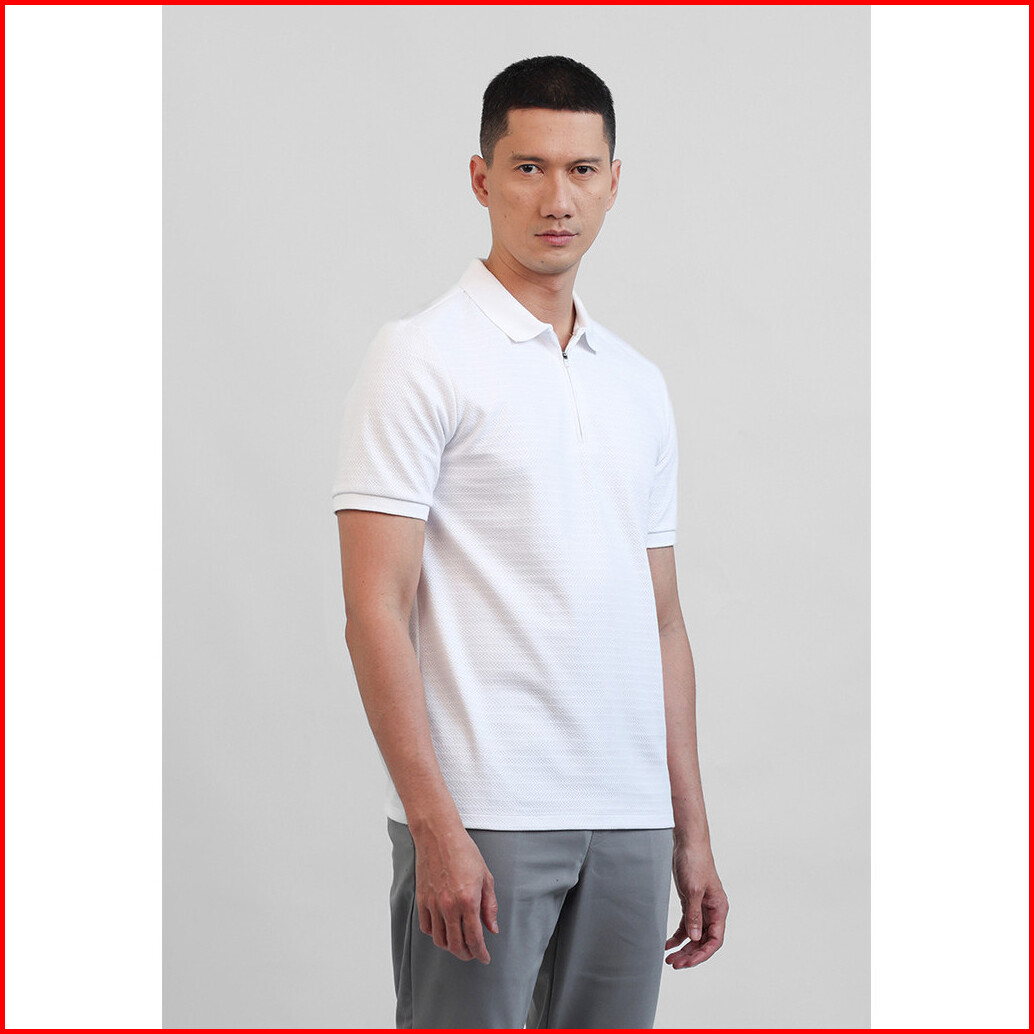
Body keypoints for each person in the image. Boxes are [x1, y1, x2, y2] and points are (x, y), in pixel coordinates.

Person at [332, 55, 728, 1029]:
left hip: (629, 818)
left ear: (612, 181)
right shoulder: (419, 355)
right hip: (488, 814)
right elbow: (373, 609)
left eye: (581, 169)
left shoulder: (636, 382)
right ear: (481, 178)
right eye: (528, 168)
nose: (557, 198)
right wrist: (436, 825)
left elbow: (663, 621)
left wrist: (688, 830)